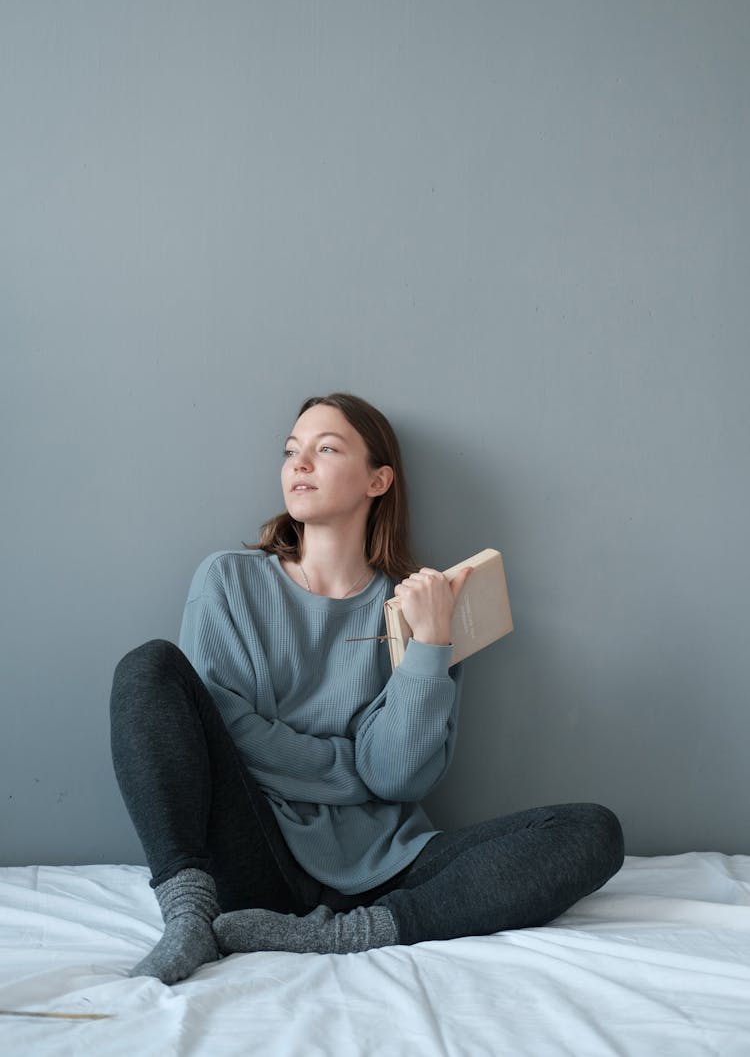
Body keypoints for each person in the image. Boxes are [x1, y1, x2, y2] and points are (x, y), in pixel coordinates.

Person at [110, 392, 624, 985]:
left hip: (389, 866)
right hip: (256, 854)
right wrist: (351, 766)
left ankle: (354, 935)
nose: (298, 464)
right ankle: (188, 919)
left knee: (592, 830)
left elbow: (397, 778)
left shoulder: (420, 606)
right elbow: (230, 734)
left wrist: (430, 647)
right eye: (291, 451)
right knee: (148, 668)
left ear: (377, 480)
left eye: (325, 449)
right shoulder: (227, 581)